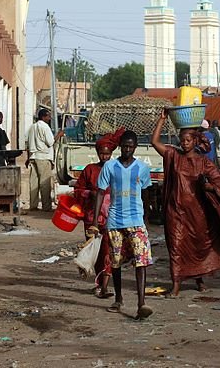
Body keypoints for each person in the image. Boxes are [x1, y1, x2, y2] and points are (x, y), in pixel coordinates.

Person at [151, 110, 220, 296]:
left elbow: (218, 181)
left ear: (195, 141)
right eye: (182, 140)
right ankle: (176, 284)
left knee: (198, 245)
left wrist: (209, 187)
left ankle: (199, 278)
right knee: (175, 246)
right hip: (176, 211)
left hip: (197, 213)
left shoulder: (204, 162)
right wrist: (162, 119)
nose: (184, 143)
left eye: (188, 140)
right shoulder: (174, 156)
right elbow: (155, 142)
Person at [91, 130, 154, 320]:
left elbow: (146, 194)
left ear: (135, 147)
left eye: (130, 147)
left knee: (141, 261)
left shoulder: (142, 168)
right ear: (120, 147)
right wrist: (95, 220)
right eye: (124, 146)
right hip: (115, 221)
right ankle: (118, 298)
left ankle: (141, 303)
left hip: (136, 220)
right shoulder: (109, 167)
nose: (127, 150)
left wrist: (147, 219)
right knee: (116, 262)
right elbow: (100, 192)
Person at [74, 129, 124, 299]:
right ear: (97, 153)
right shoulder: (89, 170)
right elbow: (78, 190)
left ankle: (104, 285)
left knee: (109, 251)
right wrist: (90, 194)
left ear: (112, 153)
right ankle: (98, 282)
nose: (105, 157)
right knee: (95, 252)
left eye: (107, 154)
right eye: (102, 154)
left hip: (112, 216)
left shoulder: (117, 169)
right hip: (92, 217)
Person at [25, 109, 60, 212]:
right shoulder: (45, 127)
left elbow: (28, 144)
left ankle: (33, 205)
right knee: (44, 183)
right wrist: (59, 135)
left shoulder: (32, 127)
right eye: (48, 116)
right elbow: (51, 142)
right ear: (43, 117)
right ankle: (46, 207)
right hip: (43, 157)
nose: (49, 118)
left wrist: (28, 157)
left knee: (34, 183)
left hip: (33, 157)